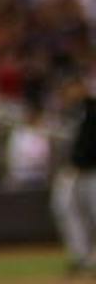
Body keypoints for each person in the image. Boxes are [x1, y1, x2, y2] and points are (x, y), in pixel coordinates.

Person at [59, 80, 96, 277]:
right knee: (72, 214)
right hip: (78, 172)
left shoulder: (91, 110)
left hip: (93, 173)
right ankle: (81, 258)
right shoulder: (76, 112)